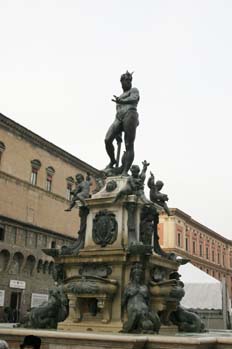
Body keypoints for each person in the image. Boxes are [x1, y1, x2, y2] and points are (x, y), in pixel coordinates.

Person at [104, 71, 140, 176]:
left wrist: (122, 101)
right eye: (126, 80)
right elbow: (117, 112)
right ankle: (113, 161)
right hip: (118, 118)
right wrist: (118, 133)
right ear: (121, 82)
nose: (128, 82)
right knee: (107, 139)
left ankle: (125, 171)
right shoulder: (119, 96)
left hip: (130, 114)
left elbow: (134, 99)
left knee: (129, 144)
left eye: (130, 80)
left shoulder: (134, 90)